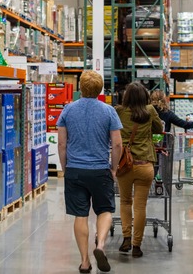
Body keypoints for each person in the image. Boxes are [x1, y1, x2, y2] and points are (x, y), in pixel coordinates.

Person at [57, 70, 123, 273]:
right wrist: (113, 168)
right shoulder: (109, 111)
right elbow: (117, 144)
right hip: (100, 169)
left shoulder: (68, 110)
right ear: (100, 88)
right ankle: (101, 245)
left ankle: (85, 261)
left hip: (75, 170)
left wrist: (65, 167)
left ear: (80, 88)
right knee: (105, 210)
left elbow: (61, 143)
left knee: (80, 215)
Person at [115, 82, 164, 258]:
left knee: (125, 202)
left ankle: (126, 238)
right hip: (145, 165)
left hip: (125, 165)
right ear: (145, 96)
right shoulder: (150, 110)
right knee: (140, 206)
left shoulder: (119, 111)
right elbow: (159, 129)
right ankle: (137, 245)